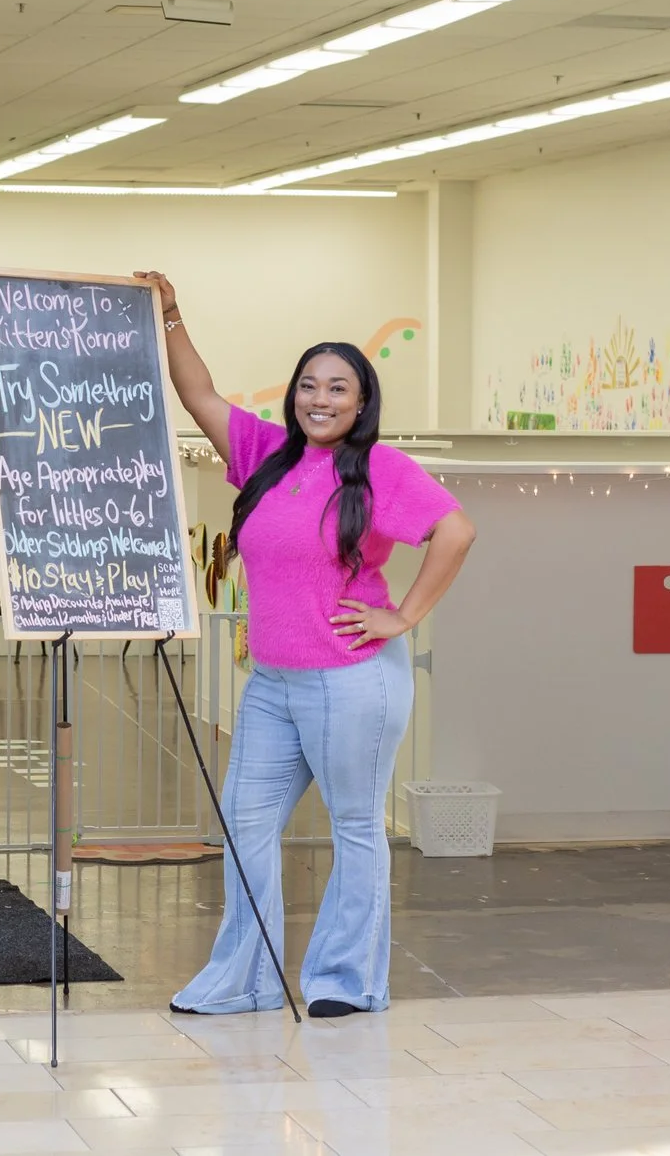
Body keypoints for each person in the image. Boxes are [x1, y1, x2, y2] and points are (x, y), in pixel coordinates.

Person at [136, 270, 476, 1019]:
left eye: (338, 389)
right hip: (274, 683)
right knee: (246, 824)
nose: (320, 399)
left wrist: (404, 615)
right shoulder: (268, 453)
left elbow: (456, 530)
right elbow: (198, 393)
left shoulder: (380, 468)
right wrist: (170, 315)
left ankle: (346, 982)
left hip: (353, 680)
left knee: (356, 825)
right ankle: (245, 980)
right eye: (309, 386)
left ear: (361, 403)